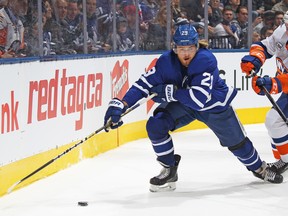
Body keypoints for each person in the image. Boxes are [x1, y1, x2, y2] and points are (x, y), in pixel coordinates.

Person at [103, 23, 283, 192]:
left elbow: (198, 99)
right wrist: (121, 104)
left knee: (237, 143)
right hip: (184, 104)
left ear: (197, 47)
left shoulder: (206, 60)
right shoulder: (166, 62)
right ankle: (169, 169)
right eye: (182, 49)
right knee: (156, 125)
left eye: (190, 48)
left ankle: (259, 168)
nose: (186, 53)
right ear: (175, 49)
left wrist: (169, 93)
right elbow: (143, 84)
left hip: (214, 106)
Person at [240, 11, 288, 176]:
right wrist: (255, 59)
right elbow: (264, 46)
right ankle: (285, 158)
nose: (287, 29)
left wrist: (273, 84)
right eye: (287, 25)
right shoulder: (282, 32)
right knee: (274, 122)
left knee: (274, 121)